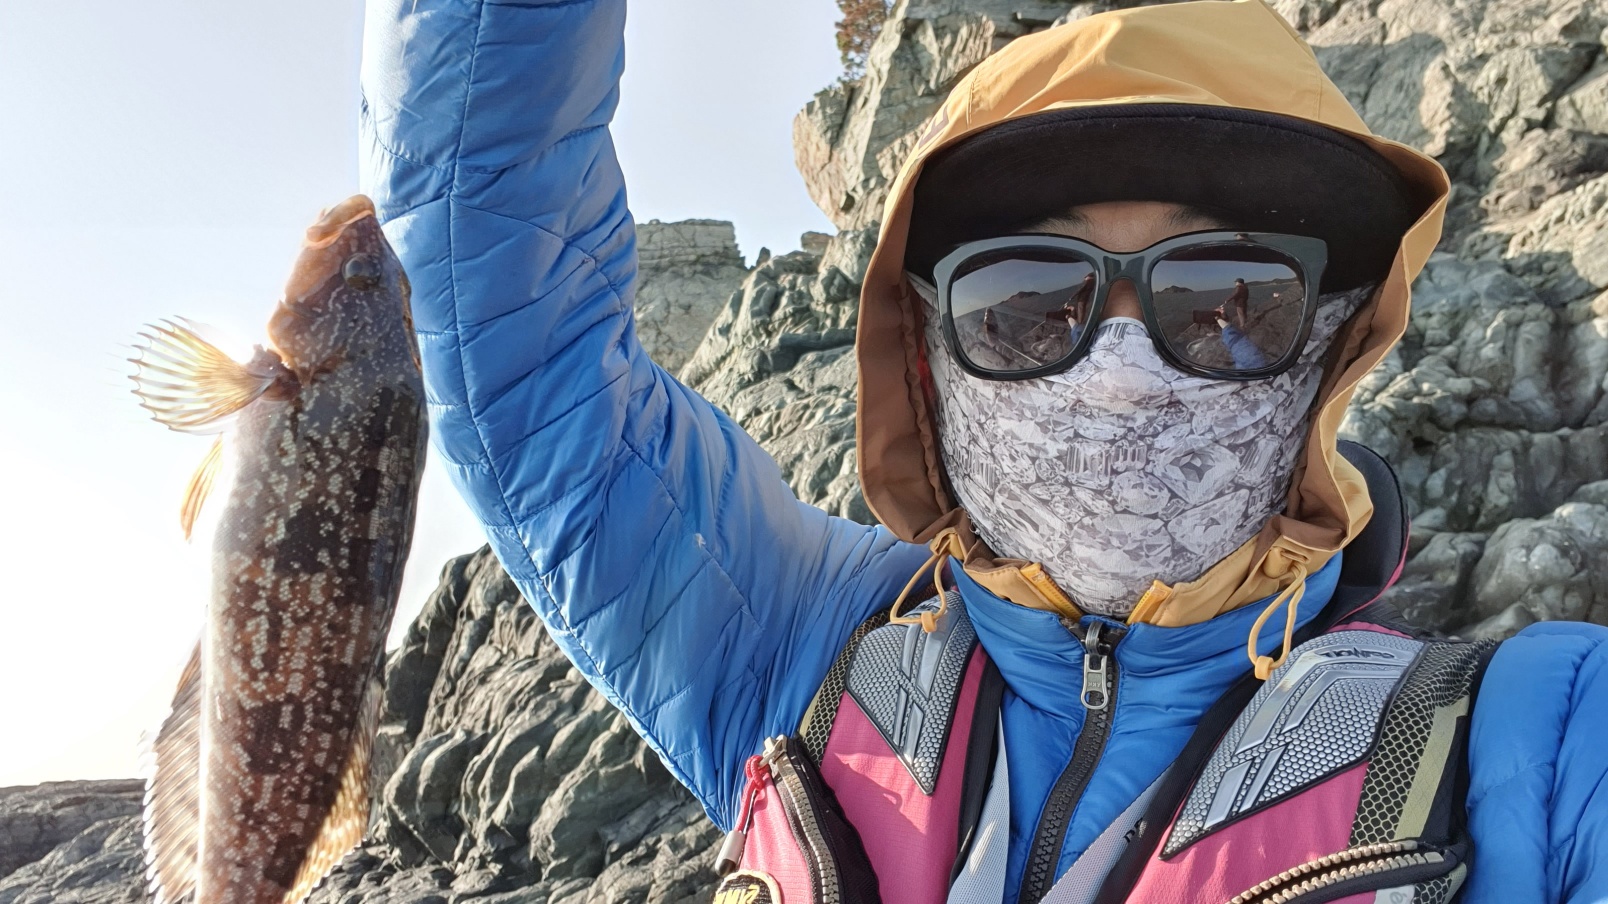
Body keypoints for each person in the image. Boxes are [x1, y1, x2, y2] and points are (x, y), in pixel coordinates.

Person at [359, 1, 1608, 903]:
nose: (1125, 372)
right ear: (929, 361)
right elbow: (508, 332)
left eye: (1228, 303)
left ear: (1328, 350)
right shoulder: (798, 645)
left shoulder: (1547, 742)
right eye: (1029, 303)